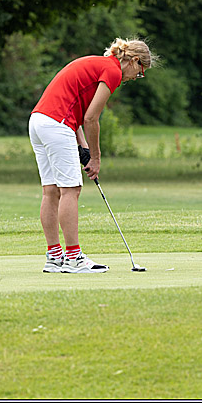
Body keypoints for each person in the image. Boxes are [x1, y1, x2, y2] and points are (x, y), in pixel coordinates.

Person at [29, 38, 156, 273]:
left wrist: (84, 149)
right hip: (57, 124)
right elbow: (90, 119)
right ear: (134, 61)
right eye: (140, 72)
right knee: (70, 190)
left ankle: (55, 257)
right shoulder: (112, 71)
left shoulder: (96, 64)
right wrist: (96, 158)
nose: (136, 77)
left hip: (39, 121)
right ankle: (74, 257)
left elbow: (75, 109)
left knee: (51, 190)